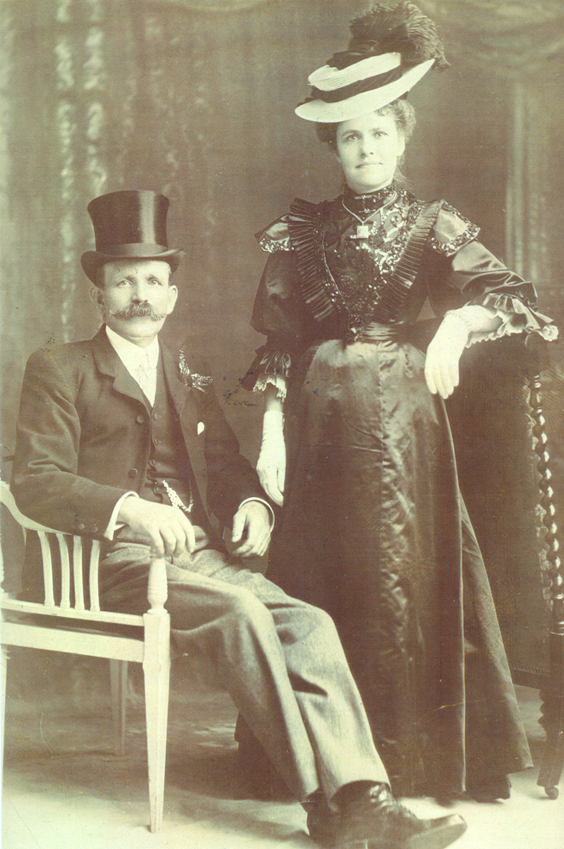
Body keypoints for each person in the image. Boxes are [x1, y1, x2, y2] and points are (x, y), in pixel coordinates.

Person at [11, 189, 467, 849]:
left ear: (172, 296)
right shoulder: (60, 368)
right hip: (104, 563)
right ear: (99, 295)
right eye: (124, 282)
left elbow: (224, 465)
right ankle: (325, 805)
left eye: (153, 282)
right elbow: (36, 479)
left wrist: (251, 502)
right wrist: (128, 509)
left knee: (308, 622)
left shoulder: (185, 372)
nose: (140, 295)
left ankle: (366, 793)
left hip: (195, 559)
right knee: (243, 613)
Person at [243, 2, 557, 805]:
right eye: (351, 136)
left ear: (403, 135)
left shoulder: (434, 224)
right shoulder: (301, 231)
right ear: (334, 146)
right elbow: (279, 341)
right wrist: (272, 429)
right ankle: (331, 766)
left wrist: (455, 323)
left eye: (379, 131)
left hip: (404, 429)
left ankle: (414, 760)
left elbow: (519, 304)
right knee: (324, 575)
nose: (366, 147)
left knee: (400, 572)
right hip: (319, 424)